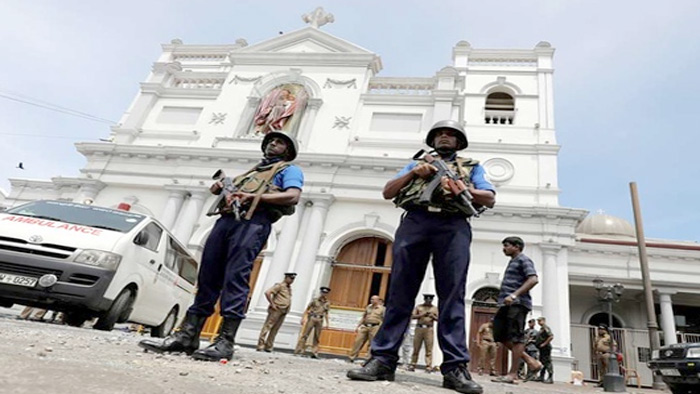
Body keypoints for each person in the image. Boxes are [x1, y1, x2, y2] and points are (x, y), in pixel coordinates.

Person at [347, 120, 495, 394]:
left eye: (451, 134)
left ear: (459, 142)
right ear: (432, 140)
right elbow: (388, 191)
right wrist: (415, 172)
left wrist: (464, 190)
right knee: (400, 292)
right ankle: (382, 359)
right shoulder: (418, 163)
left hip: (453, 225)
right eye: (439, 134)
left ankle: (454, 368)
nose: (445, 137)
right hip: (416, 221)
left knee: (452, 295)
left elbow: (488, 197)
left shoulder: (472, 166)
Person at [139, 131, 304, 361]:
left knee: (236, 277)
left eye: (279, 142)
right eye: (270, 141)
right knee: (208, 277)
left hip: (253, 222)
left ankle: (225, 341)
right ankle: (188, 336)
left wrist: (250, 196)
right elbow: (229, 192)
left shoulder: (288, 170)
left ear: (287, 150)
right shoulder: (251, 173)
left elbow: (292, 196)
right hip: (225, 222)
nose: (272, 144)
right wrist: (220, 189)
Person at [491, 236, 542, 385]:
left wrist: (514, 295)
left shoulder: (523, 260)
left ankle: (512, 374)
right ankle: (531, 362)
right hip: (506, 305)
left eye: (506, 245)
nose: (504, 248)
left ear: (517, 246)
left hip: (518, 304)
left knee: (516, 337)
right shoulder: (512, 261)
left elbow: (533, 279)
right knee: (500, 334)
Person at [256, 272, 297, 352]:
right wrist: (272, 304)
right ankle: (260, 345)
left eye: (293, 279)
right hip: (276, 309)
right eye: (291, 278)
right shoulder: (279, 286)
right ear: (286, 277)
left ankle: (269, 346)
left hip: (284, 310)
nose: (292, 280)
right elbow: (267, 293)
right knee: (268, 326)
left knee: (275, 329)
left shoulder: (289, 288)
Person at [295, 286, 331, 358]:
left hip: (320, 319)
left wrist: (327, 323)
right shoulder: (315, 300)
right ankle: (299, 350)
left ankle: (314, 352)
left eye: (325, 293)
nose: (324, 294)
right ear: (320, 292)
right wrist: (303, 318)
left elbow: (326, 313)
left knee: (317, 336)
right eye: (323, 292)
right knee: (305, 334)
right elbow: (307, 309)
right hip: (312, 317)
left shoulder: (327, 302)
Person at [407, 294, 439, 373]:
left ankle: (428, 366)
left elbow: (439, 319)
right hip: (419, 328)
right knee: (416, 347)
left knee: (429, 348)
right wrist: (422, 315)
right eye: (427, 299)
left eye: (430, 300)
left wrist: (432, 316)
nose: (428, 301)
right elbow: (412, 316)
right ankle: (413, 364)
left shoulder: (434, 308)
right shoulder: (419, 307)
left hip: (429, 329)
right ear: (424, 299)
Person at [348, 295, 385, 363]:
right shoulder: (368, 307)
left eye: (373, 299)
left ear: (378, 300)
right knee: (358, 341)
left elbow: (384, 319)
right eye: (371, 299)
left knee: (372, 344)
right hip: (365, 326)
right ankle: (352, 357)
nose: (372, 301)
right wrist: (358, 326)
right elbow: (364, 317)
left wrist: (381, 328)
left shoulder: (382, 309)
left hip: (375, 327)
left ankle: (368, 359)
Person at [534, 316, 554, 384]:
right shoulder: (541, 329)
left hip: (546, 348)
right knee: (542, 362)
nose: (539, 322)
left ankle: (550, 377)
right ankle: (541, 376)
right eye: (538, 321)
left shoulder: (546, 328)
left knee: (547, 362)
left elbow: (551, 336)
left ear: (544, 321)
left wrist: (544, 344)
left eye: (540, 321)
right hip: (541, 348)